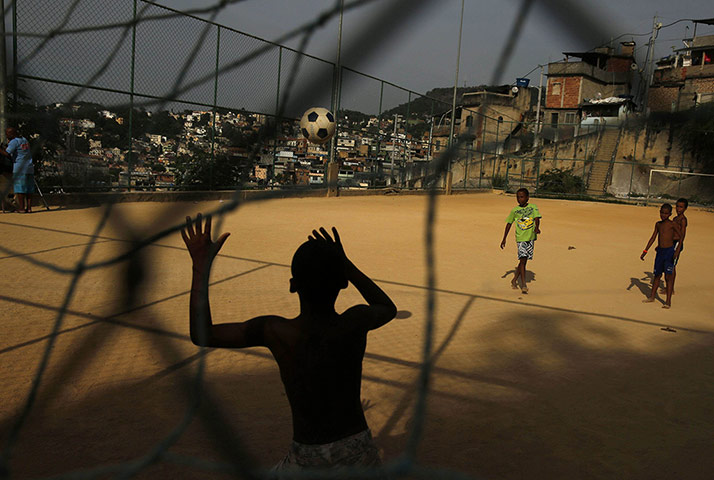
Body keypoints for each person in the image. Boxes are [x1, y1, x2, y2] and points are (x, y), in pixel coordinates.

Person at [181, 214, 396, 473]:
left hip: (308, 459)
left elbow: (202, 334)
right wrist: (346, 266)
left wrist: (201, 266)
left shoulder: (277, 331)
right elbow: (386, 307)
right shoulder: (354, 321)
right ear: (342, 283)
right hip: (359, 454)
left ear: (293, 286)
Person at [500, 188, 541, 294]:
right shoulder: (515, 210)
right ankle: (523, 284)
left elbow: (537, 218)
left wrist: (537, 227)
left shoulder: (533, 207)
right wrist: (504, 238)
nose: (519, 199)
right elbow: (509, 224)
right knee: (523, 260)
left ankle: (514, 280)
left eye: (522, 197)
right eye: (517, 197)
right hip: (521, 238)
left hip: (531, 238)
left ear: (527, 197)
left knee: (523, 261)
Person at [640, 203, 680, 309]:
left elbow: (680, 237)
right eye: (662, 212)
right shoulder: (658, 224)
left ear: (670, 214)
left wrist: (676, 251)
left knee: (668, 277)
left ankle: (668, 301)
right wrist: (645, 250)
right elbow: (653, 237)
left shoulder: (672, 224)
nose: (663, 215)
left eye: (666, 213)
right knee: (657, 275)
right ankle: (652, 297)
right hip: (660, 252)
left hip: (669, 252)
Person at [1, 127, 34, 213]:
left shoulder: (14, 142)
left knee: (20, 189)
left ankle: (22, 208)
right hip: (29, 167)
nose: (6, 135)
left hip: (19, 167)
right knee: (29, 189)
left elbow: (7, 154)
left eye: (7, 134)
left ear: (12, 134)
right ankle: (29, 208)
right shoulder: (24, 140)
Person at [668, 197, 688, 294]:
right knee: (669, 265)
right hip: (671, 243)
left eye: (681, 207)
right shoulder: (675, 218)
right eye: (677, 206)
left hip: (677, 244)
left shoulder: (683, 220)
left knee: (672, 266)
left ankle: (671, 289)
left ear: (685, 209)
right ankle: (669, 286)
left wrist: (678, 248)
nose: (678, 209)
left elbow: (682, 235)